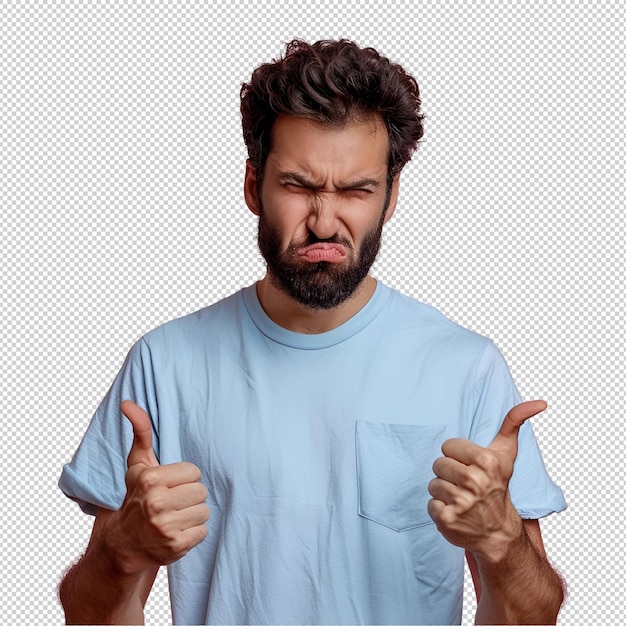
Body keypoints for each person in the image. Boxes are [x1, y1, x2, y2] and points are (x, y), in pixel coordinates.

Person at [58, 39, 567, 625]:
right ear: (254, 186)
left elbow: (535, 618)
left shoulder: (465, 367)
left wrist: (502, 542)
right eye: (299, 186)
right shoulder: (164, 362)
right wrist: (121, 551)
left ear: (392, 196)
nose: (325, 220)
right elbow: (86, 617)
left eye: (356, 190)